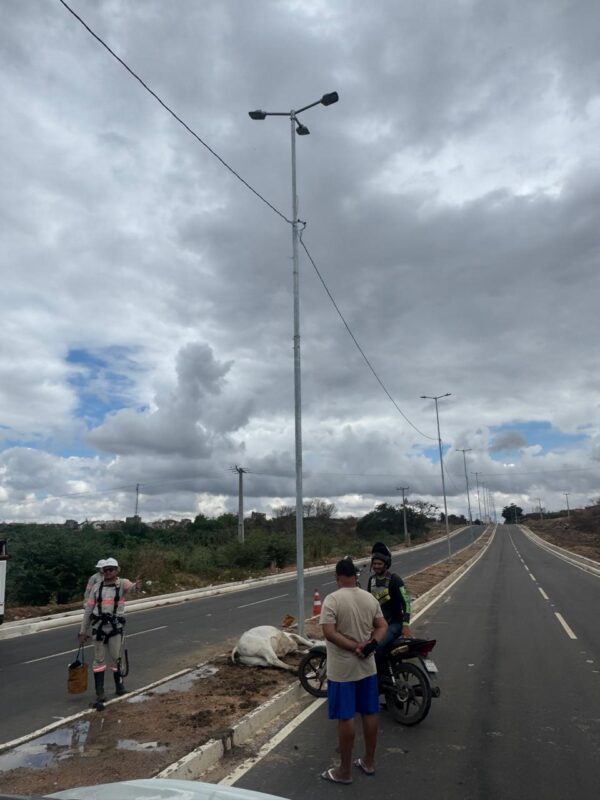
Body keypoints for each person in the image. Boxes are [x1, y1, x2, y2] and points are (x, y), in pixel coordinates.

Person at [319, 558, 388, 784]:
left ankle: (344, 771)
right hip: (368, 667)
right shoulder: (369, 598)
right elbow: (382, 626)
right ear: (355, 576)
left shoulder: (333, 599)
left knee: (346, 717)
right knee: (370, 713)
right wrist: (370, 646)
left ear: (338, 577)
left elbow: (329, 632)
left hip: (342, 671)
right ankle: (369, 762)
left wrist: (353, 647)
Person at [78, 557, 140, 704]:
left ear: (117, 570)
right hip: (99, 628)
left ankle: (119, 686)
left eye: (111, 569)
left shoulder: (122, 583)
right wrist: (82, 631)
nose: (108, 572)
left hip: (115, 629)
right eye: (105, 570)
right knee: (98, 661)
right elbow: (88, 610)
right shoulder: (96, 587)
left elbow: (132, 588)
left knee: (116, 659)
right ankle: (100, 692)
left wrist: (137, 586)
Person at [367, 542, 412, 656]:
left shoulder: (395, 580)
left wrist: (406, 625)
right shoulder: (371, 581)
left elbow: (406, 602)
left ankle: (381, 673)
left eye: (380, 563)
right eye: (374, 563)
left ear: (386, 564)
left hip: (394, 624)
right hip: (377, 624)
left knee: (375, 647)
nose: (376, 566)